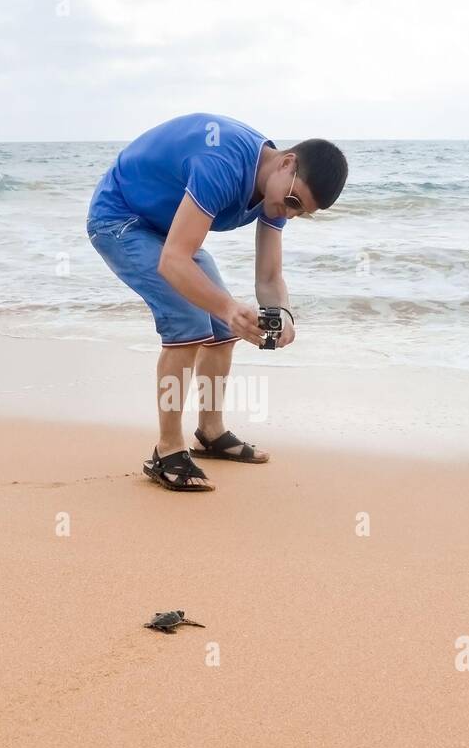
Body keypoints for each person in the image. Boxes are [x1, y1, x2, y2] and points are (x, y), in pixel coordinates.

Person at [85, 112, 348, 491]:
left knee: (224, 329)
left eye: (300, 212)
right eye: (292, 201)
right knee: (189, 322)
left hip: (164, 230)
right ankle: (167, 450)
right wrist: (227, 306)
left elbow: (269, 277)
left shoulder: (277, 190)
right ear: (287, 162)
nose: (288, 213)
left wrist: (283, 315)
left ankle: (210, 432)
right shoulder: (221, 164)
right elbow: (174, 261)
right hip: (120, 219)